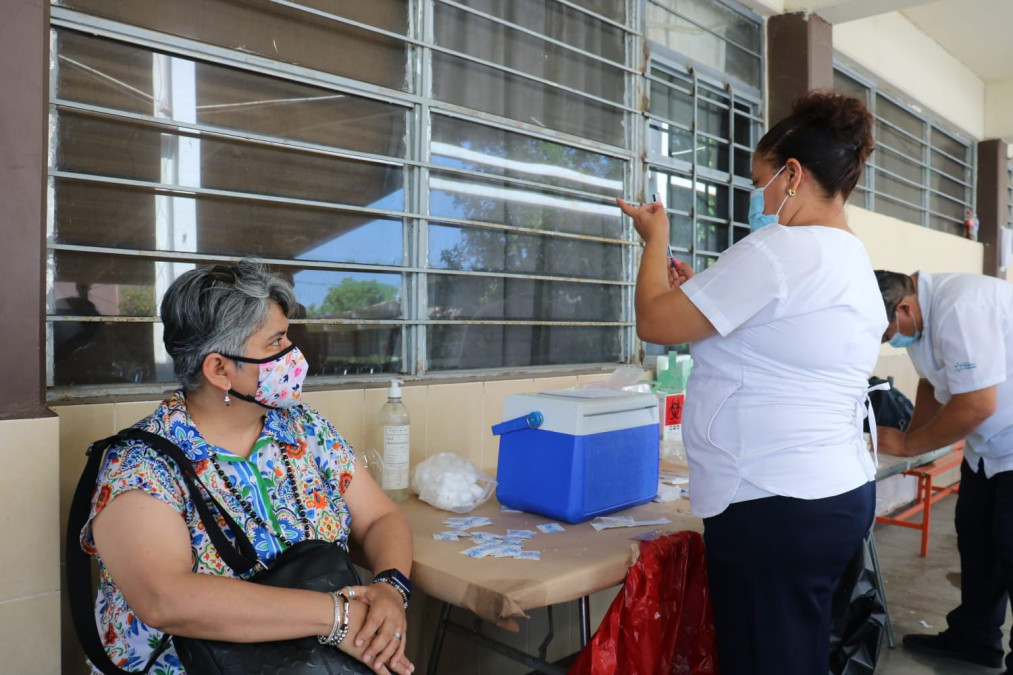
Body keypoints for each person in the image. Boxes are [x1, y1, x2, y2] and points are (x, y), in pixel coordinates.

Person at [617, 91, 883, 674]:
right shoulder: (851, 258)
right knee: (795, 653)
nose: (757, 198)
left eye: (760, 181)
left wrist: (655, 238)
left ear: (793, 175)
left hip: (773, 503)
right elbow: (772, 349)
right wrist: (699, 295)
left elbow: (654, 323)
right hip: (835, 494)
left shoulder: (780, 250)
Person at [79, 261, 415, 675]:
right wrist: (337, 616)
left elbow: (380, 516)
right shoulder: (141, 464)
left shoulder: (304, 428)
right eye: (275, 343)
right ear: (219, 369)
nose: (294, 355)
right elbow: (166, 600)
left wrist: (390, 588)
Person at [875, 269, 1013, 672]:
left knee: (1009, 541)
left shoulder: (960, 306)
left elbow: (976, 404)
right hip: (988, 446)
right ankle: (974, 640)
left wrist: (907, 444)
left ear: (902, 307)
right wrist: (917, 441)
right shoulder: (922, 318)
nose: (891, 342)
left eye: (887, 335)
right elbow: (929, 385)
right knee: (975, 537)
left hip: (1006, 437)